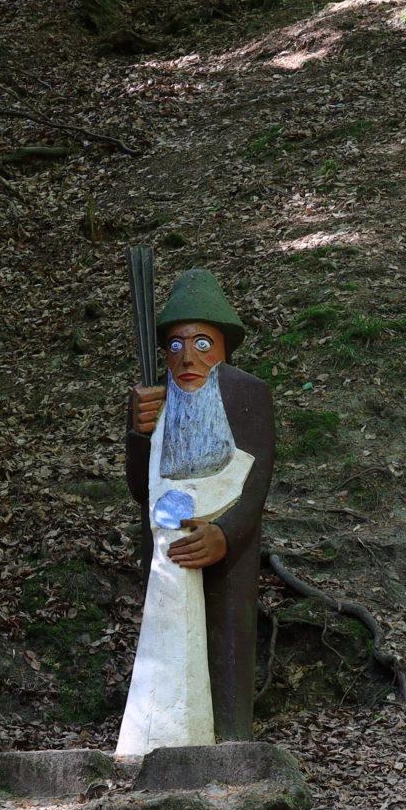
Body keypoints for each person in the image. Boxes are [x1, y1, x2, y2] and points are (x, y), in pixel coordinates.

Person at [119, 269, 275, 751]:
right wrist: (137, 433)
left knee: (226, 633)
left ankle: (229, 738)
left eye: (203, 343)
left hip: (228, 544)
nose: (187, 356)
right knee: (168, 634)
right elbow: (139, 487)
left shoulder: (247, 392)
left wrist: (226, 534)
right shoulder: (154, 397)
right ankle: (161, 736)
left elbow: (256, 479)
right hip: (166, 538)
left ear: (224, 348)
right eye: (175, 345)